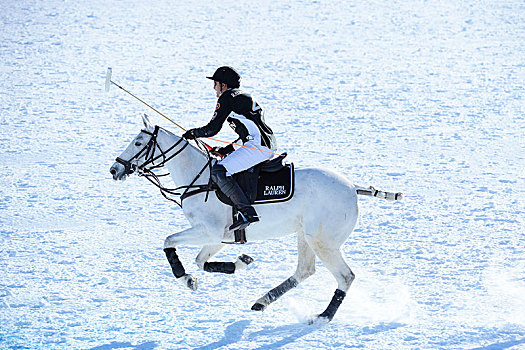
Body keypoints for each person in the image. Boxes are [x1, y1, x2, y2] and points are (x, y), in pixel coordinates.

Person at [183, 66, 277, 231]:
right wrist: (228, 149)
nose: (214, 88)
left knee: (218, 171)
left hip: (258, 146)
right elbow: (248, 131)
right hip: (262, 143)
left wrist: (193, 133)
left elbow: (213, 129)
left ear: (223, 85)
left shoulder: (227, 97)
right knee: (225, 164)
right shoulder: (243, 96)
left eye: (215, 84)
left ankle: (247, 212)